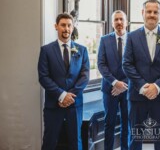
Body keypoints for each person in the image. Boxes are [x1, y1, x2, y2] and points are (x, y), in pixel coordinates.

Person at [122, 0, 160, 150]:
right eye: (149, 11)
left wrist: (157, 86)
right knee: (135, 138)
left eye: (155, 12)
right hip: (137, 96)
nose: (152, 15)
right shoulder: (132, 37)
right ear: (142, 13)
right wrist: (142, 86)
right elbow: (127, 64)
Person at [38, 13, 90, 150]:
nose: (66, 29)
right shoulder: (46, 50)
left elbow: (85, 76)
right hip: (53, 104)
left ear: (72, 28)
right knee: (50, 140)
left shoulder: (82, 50)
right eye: (63, 25)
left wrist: (69, 96)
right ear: (56, 27)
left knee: (75, 141)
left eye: (69, 25)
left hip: (75, 104)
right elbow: (43, 77)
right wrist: (61, 95)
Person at [98, 10, 129, 150]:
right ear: (112, 23)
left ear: (126, 22)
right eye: (116, 20)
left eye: (121, 19)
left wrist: (124, 84)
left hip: (128, 89)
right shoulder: (104, 40)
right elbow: (101, 64)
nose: (119, 22)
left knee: (127, 123)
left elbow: (138, 65)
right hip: (109, 89)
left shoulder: (134, 40)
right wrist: (115, 82)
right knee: (109, 123)